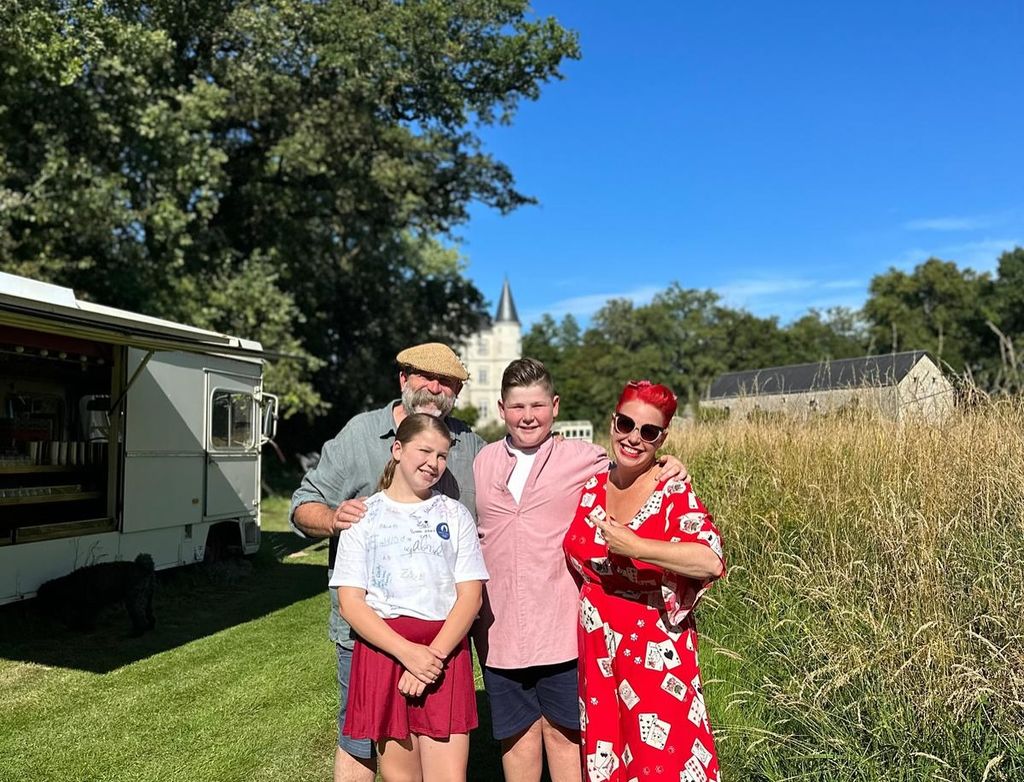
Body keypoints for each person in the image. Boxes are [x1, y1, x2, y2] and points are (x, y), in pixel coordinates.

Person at [473, 359, 688, 782]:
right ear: (502, 409)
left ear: (554, 406)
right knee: (515, 741)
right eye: (517, 407)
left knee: (566, 736)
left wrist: (670, 462)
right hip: (499, 634)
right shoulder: (482, 463)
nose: (528, 416)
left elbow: (633, 465)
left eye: (537, 405)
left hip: (562, 632)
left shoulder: (585, 459)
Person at [290, 342, 485, 782]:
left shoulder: (470, 443)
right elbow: (303, 505)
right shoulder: (359, 434)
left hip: (444, 633)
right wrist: (334, 518)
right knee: (359, 742)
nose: (435, 388)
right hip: (370, 636)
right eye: (425, 377)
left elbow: (521, 471)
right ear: (403, 379)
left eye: (447, 382)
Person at [562, 380, 725, 782]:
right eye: (625, 424)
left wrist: (637, 545)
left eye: (648, 432)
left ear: (662, 438)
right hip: (599, 644)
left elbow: (710, 560)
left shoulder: (671, 487)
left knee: (663, 759)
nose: (633, 438)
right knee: (610, 754)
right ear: (612, 422)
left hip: (654, 646)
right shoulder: (590, 486)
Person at [333, 413, 489, 782]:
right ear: (398, 449)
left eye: (442, 456)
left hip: (444, 653)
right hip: (385, 653)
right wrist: (407, 653)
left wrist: (430, 657)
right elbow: (351, 603)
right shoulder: (364, 517)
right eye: (424, 451)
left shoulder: (455, 515)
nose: (433, 463)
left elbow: (471, 596)